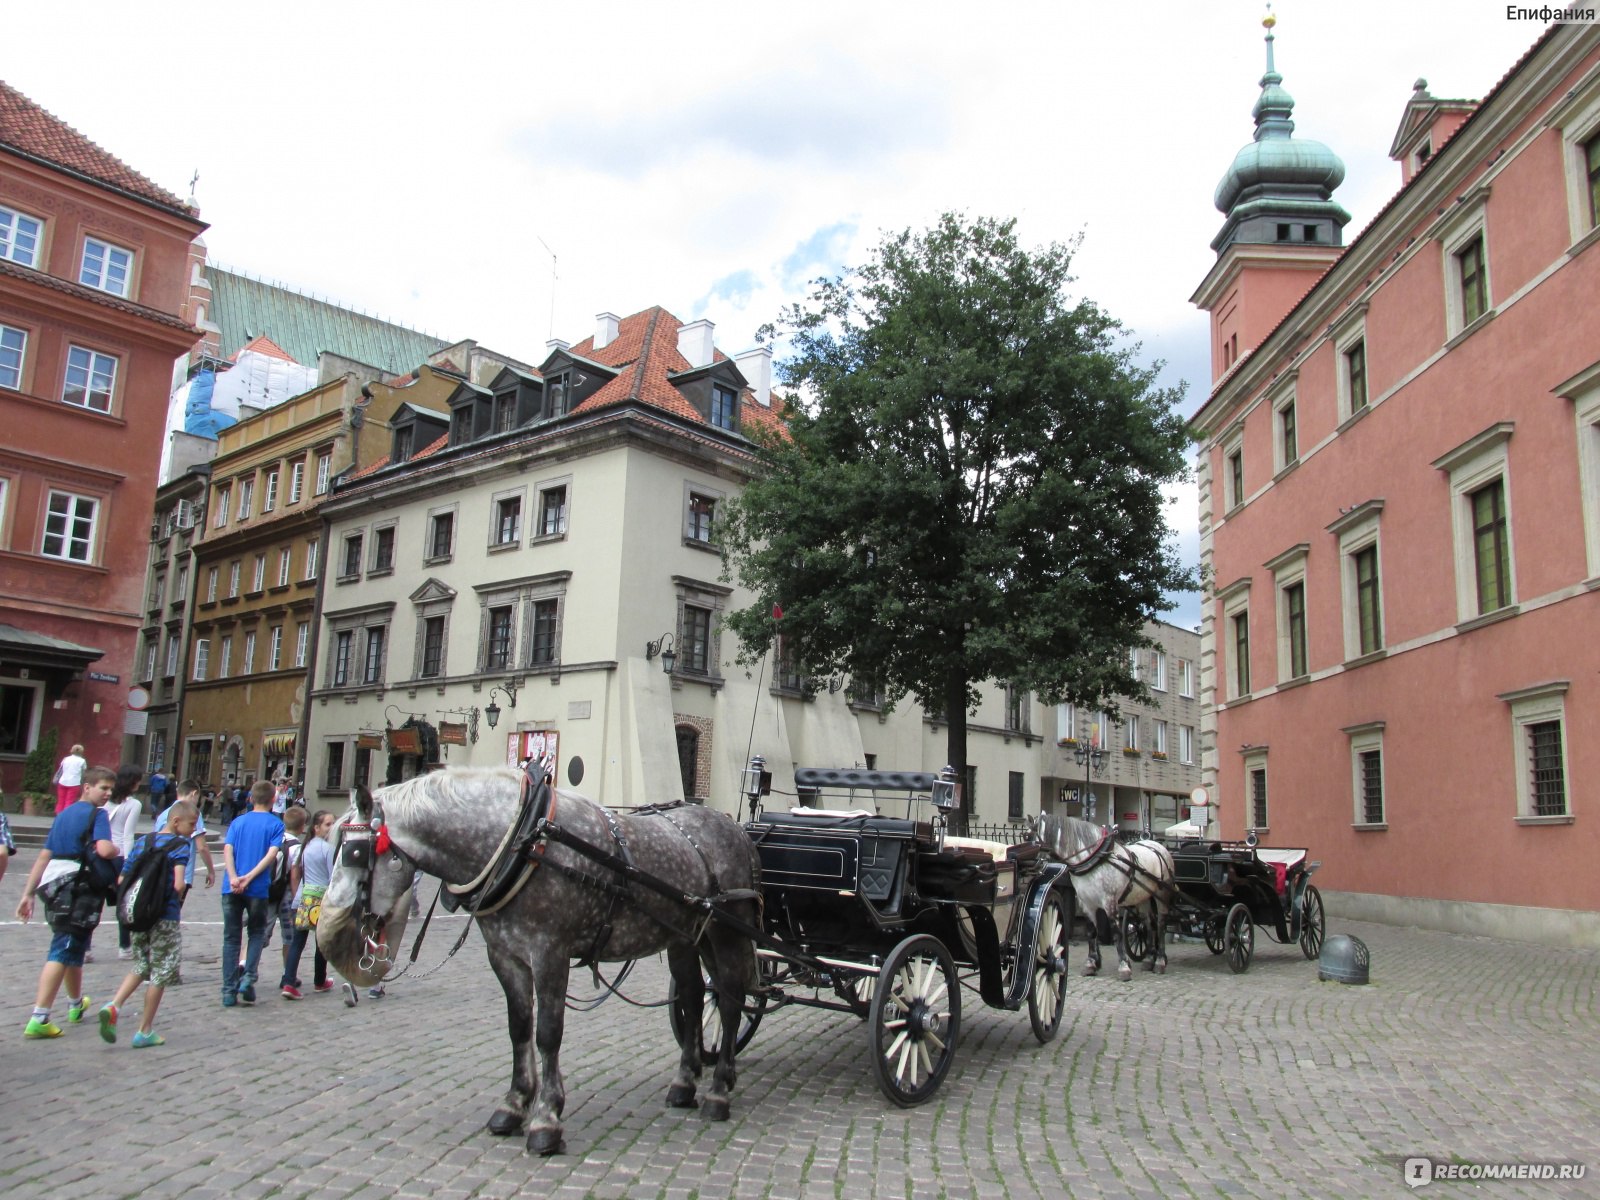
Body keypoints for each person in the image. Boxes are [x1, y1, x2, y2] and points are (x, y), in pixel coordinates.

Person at [15, 766, 119, 1037]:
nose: (107, 793)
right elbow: (104, 849)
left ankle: (75, 1004)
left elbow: (43, 855)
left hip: (53, 885)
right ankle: (40, 1016)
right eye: (103, 787)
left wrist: (27, 893)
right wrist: (117, 849)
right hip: (78, 887)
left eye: (110, 789)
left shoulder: (64, 815)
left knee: (75, 946)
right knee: (62, 949)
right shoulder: (98, 814)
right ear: (87, 786)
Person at [97, 800, 195, 1048]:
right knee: (161, 971)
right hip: (165, 915)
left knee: (142, 963)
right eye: (191, 824)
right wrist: (177, 897)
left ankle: (115, 1004)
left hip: (139, 914)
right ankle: (145, 1029)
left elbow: (122, 878)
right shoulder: (181, 845)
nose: (193, 830)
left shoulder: (143, 842)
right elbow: (178, 883)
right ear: (175, 821)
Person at [220, 780, 282, 1007]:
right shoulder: (275, 824)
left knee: (231, 938)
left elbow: (228, 850)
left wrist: (235, 876)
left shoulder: (238, 822)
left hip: (231, 886)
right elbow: (271, 854)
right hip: (257, 888)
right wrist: (251, 877)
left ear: (250, 798)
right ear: (274, 798)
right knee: (256, 933)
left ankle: (228, 991)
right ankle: (248, 978)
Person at [281, 809, 335, 998]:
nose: (331, 828)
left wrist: (298, 895)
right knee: (321, 943)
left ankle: (288, 981)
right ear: (316, 827)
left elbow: (296, 872)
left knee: (297, 942)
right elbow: (332, 877)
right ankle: (320, 980)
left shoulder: (306, 846)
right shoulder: (326, 848)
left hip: (303, 898)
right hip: (319, 899)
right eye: (328, 824)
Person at [154, 778, 217, 896]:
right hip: (182, 872)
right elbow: (202, 846)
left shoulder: (164, 814)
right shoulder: (192, 814)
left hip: (160, 871)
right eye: (198, 798)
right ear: (193, 793)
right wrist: (211, 871)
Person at [106, 768, 142, 960]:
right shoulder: (134, 804)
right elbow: (128, 835)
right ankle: (124, 946)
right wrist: (130, 861)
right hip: (119, 854)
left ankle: (85, 948)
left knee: (94, 899)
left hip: (101, 852)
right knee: (123, 901)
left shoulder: (105, 801)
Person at [272, 808, 306, 989]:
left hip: (270, 892)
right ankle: (288, 974)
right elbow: (295, 876)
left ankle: (244, 964)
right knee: (289, 937)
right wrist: (296, 898)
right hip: (285, 894)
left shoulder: (276, 839)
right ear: (302, 827)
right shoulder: (297, 847)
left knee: (258, 934)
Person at [53, 744, 87, 813]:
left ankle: (58, 815)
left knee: (60, 800)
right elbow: (84, 772)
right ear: (82, 751)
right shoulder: (82, 761)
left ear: (72, 750)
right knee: (69, 801)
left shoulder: (66, 759)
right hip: (74, 783)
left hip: (62, 781)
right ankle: (66, 815)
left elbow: (61, 769)